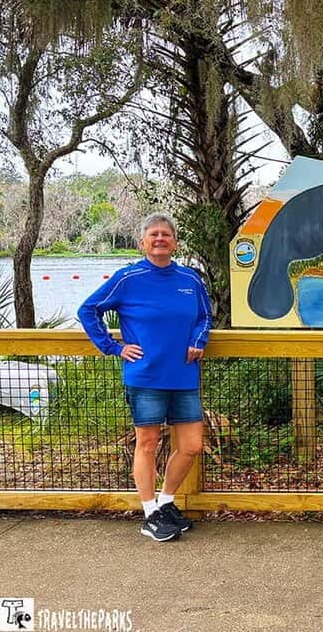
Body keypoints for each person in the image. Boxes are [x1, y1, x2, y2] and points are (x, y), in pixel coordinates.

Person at [78, 212, 212, 542]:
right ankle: (149, 512)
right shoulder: (128, 277)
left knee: (192, 446)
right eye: (153, 234)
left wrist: (198, 341)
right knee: (148, 444)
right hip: (145, 376)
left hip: (183, 376)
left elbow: (205, 317)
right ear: (143, 242)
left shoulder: (191, 280)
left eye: (166, 234)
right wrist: (112, 347)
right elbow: (88, 310)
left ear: (175, 242)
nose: (160, 239)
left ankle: (166, 502)